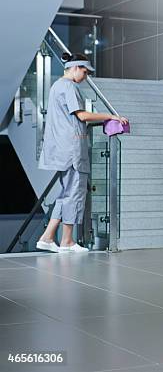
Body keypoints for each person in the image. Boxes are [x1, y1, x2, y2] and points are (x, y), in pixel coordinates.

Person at [36, 53, 129, 253]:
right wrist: (111, 115)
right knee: (75, 194)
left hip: (62, 149)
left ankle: (47, 237)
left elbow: (74, 118)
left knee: (66, 194)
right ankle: (67, 241)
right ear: (76, 67)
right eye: (85, 72)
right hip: (71, 150)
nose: (85, 77)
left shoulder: (56, 86)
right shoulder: (69, 87)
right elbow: (82, 115)